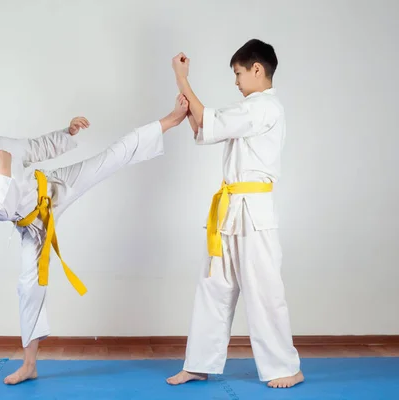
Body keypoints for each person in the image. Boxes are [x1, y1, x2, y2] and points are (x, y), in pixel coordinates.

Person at [0, 95, 188, 385]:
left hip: (55, 187)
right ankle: (29, 364)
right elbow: (4, 211)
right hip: (32, 227)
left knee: (110, 157)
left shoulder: (0, 147)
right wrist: (6, 171)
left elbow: (35, 147)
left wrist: (66, 133)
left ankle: (170, 120)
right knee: (29, 289)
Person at [166, 39, 305, 389]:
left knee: (263, 290)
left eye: (239, 73)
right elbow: (210, 129)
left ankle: (286, 366)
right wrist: (188, 115)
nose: (236, 80)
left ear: (257, 69)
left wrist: (183, 80)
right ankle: (198, 363)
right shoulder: (248, 110)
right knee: (213, 284)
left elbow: (214, 122)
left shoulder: (265, 108)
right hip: (229, 211)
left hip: (254, 213)